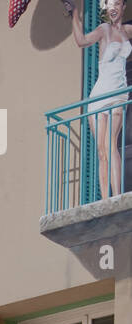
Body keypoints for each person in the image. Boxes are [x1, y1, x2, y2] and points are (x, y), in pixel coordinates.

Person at [65, 0, 132, 200]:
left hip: (118, 94)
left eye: (117, 4)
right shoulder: (104, 29)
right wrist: (75, 14)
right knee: (102, 151)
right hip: (99, 95)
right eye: (109, 5)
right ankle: (105, 200)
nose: (113, 8)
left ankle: (117, 196)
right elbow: (81, 41)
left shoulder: (128, 30)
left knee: (111, 143)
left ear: (123, 7)